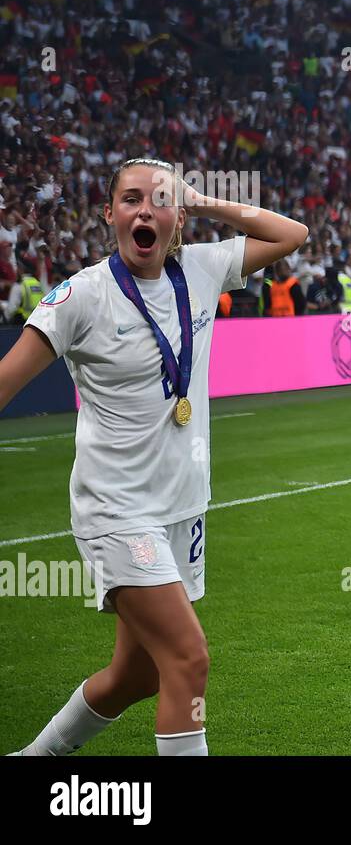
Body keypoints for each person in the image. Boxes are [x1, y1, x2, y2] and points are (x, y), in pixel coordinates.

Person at [1, 157, 308, 756]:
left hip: (182, 510)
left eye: (161, 200)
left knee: (136, 676)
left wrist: (205, 201)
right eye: (132, 199)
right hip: (118, 514)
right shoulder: (81, 298)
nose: (146, 210)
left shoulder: (200, 268)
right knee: (187, 660)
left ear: (178, 216)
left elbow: (290, 234)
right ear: (109, 213)